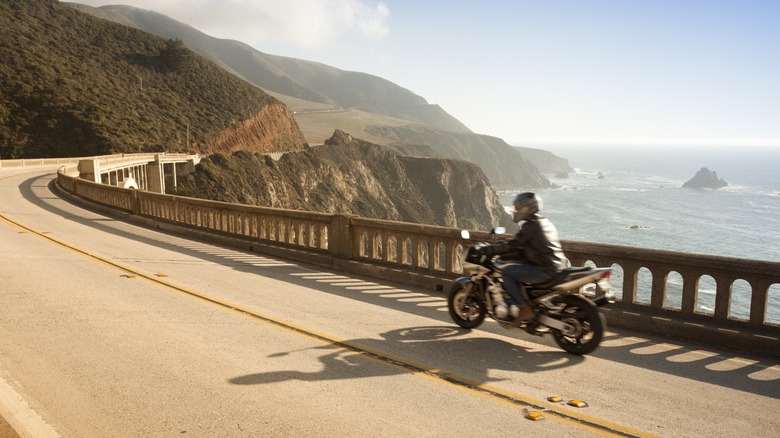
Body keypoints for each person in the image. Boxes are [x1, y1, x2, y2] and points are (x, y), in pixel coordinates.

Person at [477, 192, 569, 321]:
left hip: (544, 270)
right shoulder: (545, 222)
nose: (517, 211)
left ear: (529, 208)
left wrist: (489, 249)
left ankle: (522, 307)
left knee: (507, 272)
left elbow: (513, 244)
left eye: (520, 208)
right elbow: (531, 246)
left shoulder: (530, 226)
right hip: (557, 266)